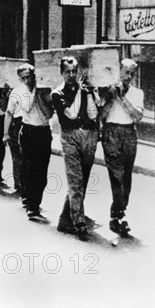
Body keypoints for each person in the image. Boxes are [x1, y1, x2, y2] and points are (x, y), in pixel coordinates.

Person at [52, 57, 99, 239]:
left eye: (74, 71)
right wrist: (80, 92)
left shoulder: (86, 91)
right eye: (67, 72)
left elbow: (94, 113)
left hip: (89, 136)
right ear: (62, 73)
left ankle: (65, 219)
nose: (71, 75)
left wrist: (90, 93)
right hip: (70, 136)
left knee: (83, 179)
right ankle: (79, 222)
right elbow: (71, 114)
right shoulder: (57, 93)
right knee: (75, 179)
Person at [98, 59, 144, 236]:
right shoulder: (107, 91)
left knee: (126, 176)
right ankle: (120, 216)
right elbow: (100, 116)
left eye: (132, 73)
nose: (129, 77)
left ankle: (116, 214)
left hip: (129, 134)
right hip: (111, 133)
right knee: (116, 175)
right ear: (119, 72)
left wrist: (122, 98)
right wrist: (111, 98)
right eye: (126, 72)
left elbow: (138, 116)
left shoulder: (137, 93)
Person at [4, 64, 54, 219]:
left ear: (34, 76)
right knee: (28, 168)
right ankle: (32, 205)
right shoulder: (17, 92)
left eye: (29, 77)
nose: (27, 80)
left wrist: (40, 95)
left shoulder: (45, 91)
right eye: (23, 78)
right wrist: (5, 133)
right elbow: (12, 111)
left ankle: (34, 200)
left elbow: (49, 114)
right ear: (19, 78)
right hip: (28, 131)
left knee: (42, 172)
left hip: (43, 132)